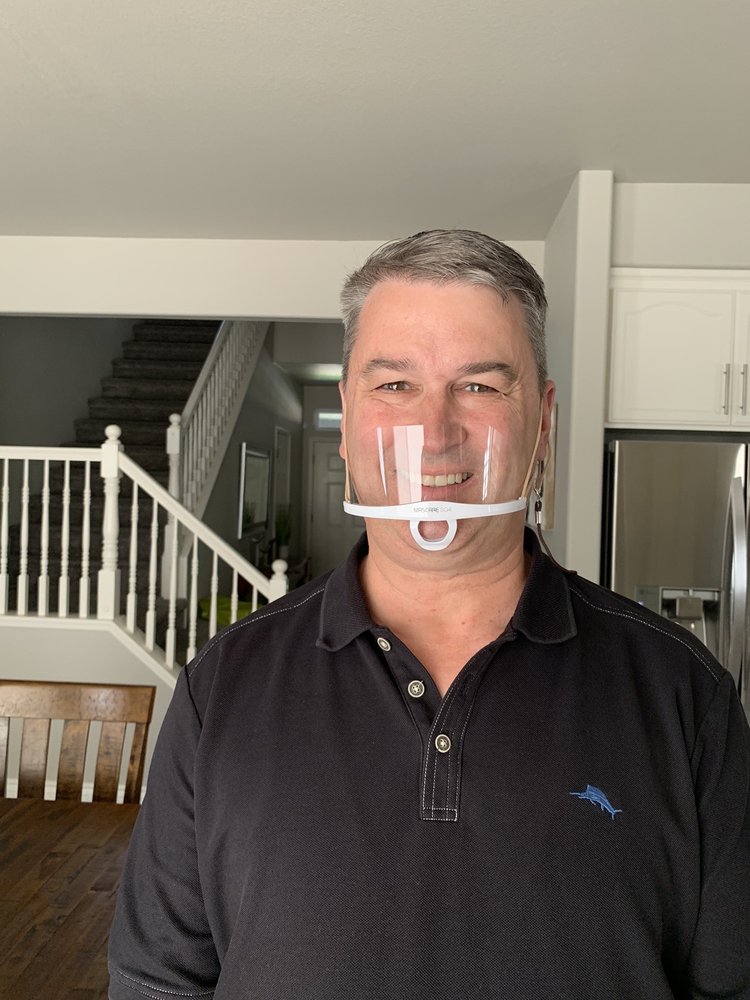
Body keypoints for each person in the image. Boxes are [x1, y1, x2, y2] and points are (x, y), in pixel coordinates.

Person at [109, 230, 750, 1000]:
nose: (436, 435)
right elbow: (157, 982)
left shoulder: (685, 695)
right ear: (347, 419)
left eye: (479, 387)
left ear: (543, 423)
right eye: (394, 385)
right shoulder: (222, 687)